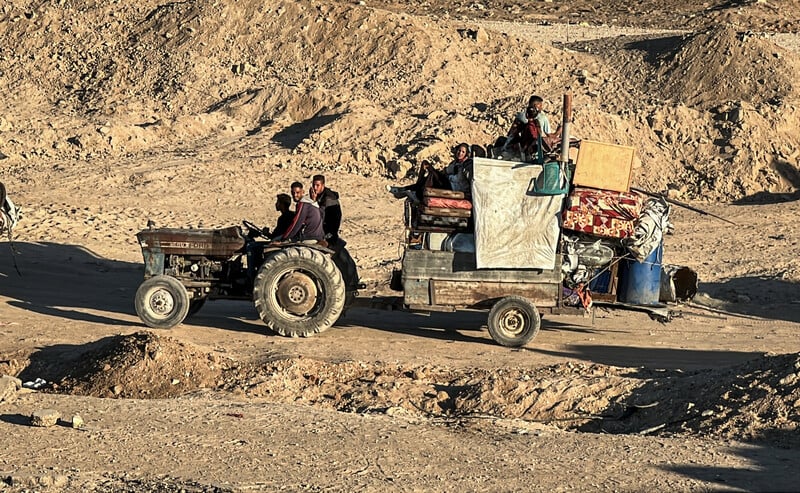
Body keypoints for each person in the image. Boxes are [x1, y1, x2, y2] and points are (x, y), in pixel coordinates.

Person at [386, 159, 450, 202]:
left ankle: (413, 193)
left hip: (450, 185)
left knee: (432, 174)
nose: (460, 153)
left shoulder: (459, 167)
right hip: (446, 180)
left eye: (460, 151)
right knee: (426, 166)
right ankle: (404, 190)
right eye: (459, 151)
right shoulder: (455, 163)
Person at [309, 174, 342, 245]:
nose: (315, 188)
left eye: (318, 185)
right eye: (313, 185)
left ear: (323, 185)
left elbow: (319, 216)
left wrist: (313, 201)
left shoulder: (328, 199)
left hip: (328, 233)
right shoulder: (318, 195)